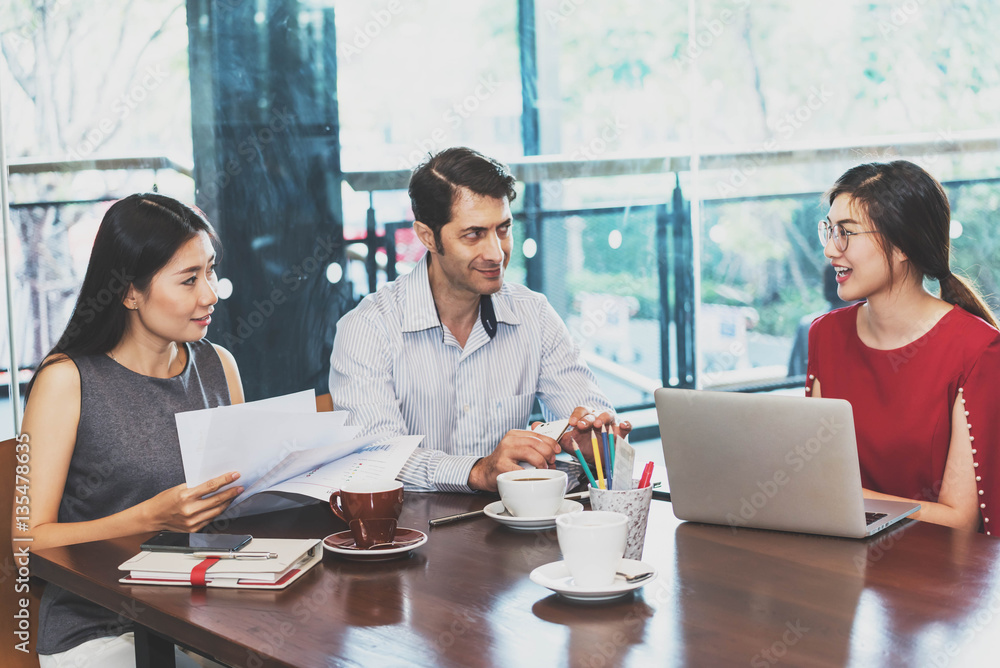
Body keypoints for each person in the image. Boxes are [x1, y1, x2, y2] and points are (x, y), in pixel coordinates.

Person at [20, 194, 245, 666]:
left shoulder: (218, 364)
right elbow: (27, 543)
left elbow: (244, 499)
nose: (210, 293)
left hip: (207, 616)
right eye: (189, 279)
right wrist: (149, 518)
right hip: (103, 630)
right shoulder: (67, 380)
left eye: (210, 270)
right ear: (129, 292)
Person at [330, 147, 629, 493]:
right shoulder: (367, 329)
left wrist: (595, 445)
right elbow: (378, 461)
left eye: (503, 229)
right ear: (428, 236)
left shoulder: (534, 314)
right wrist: (477, 471)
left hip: (519, 530)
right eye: (474, 234)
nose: (496, 253)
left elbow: (598, 432)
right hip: (417, 536)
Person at [807, 160, 999, 534]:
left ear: (902, 246)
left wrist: (847, 496)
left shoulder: (978, 350)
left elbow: (960, 520)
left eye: (846, 232)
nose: (831, 249)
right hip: (842, 569)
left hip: (935, 579)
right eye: (829, 230)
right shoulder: (825, 334)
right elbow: (815, 475)